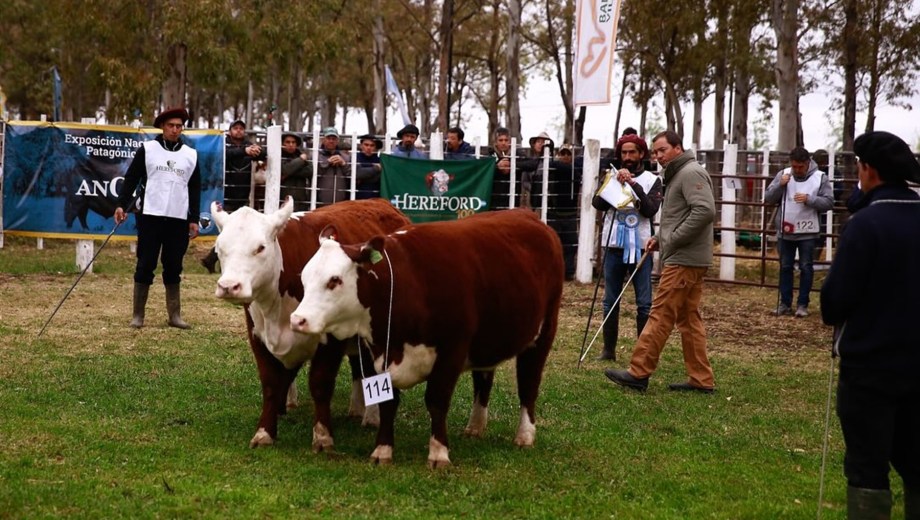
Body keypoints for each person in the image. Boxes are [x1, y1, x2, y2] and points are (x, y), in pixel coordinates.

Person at [820, 131, 920, 519]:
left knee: (867, 467)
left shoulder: (865, 225)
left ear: (869, 170)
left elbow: (834, 302)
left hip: (870, 368)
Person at [604, 130, 716, 393]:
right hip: (687, 256)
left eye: (662, 150)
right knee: (688, 319)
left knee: (661, 313)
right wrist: (659, 237)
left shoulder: (690, 173)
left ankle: (638, 372)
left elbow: (704, 211)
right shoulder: (679, 174)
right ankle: (701, 379)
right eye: (655, 152)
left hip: (684, 258)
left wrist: (672, 239)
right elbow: (679, 215)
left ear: (678, 148)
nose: (658, 156)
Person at [113, 107, 200, 330]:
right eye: (171, 125)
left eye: (179, 126)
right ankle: (138, 315)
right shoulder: (148, 149)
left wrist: (194, 218)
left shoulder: (190, 155)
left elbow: (195, 188)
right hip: (150, 216)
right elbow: (131, 178)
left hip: (178, 219)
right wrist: (121, 204)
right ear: (162, 126)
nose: (175, 130)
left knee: (173, 266)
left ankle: (175, 315)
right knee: (145, 264)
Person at [591, 133, 663, 361]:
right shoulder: (612, 175)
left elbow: (649, 210)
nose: (628, 157)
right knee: (610, 300)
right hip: (613, 244)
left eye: (632, 152)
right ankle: (608, 350)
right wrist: (614, 182)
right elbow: (597, 203)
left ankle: (643, 353)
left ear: (641, 154)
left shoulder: (652, 180)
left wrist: (632, 184)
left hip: (641, 246)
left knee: (644, 303)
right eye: (624, 152)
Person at [763, 147, 834, 318]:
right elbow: (768, 198)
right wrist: (780, 185)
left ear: (808, 163)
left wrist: (810, 199)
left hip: (808, 231)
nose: (797, 170)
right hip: (785, 230)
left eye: (800, 167)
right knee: (785, 267)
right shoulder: (783, 175)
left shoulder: (820, 178)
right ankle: (785, 303)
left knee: (806, 267)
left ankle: (803, 304)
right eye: (794, 166)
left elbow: (829, 202)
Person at [223, 119, 266, 210]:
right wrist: (244, 151)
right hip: (225, 195)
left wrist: (257, 150)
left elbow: (263, 155)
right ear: (229, 131)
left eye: (241, 128)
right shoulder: (223, 143)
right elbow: (226, 153)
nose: (239, 130)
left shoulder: (248, 144)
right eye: (235, 128)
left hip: (243, 196)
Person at [489, 126, 526, 210]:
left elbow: (529, 164)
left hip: (513, 197)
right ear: (495, 142)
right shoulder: (490, 154)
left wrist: (511, 165)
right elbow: (483, 170)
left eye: (506, 140)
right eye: (500, 140)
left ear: (510, 141)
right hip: (494, 198)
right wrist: (497, 166)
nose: (503, 143)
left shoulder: (518, 154)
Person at [315, 127, 351, 206]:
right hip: (320, 201)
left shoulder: (346, 157)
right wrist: (327, 163)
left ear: (337, 141)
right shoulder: (315, 156)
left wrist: (343, 164)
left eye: (334, 139)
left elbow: (352, 175)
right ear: (323, 140)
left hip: (341, 202)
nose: (331, 141)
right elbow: (312, 173)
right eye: (328, 138)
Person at [280, 132, 312, 211]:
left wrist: (290, 171)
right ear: (282, 143)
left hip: (300, 201)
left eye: (293, 142)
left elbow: (309, 171)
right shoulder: (279, 156)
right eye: (287, 142)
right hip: (282, 200)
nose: (291, 145)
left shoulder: (302, 155)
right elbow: (284, 169)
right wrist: (300, 160)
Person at [354, 133, 383, 199]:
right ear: (361, 145)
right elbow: (357, 173)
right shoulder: (354, 158)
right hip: (356, 198)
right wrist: (376, 168)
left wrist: (363, 177)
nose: (369, 148)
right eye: (366, 145)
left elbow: (379, 179)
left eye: (372, 145)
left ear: (375, 148)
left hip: (375, 198)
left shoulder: (379, 160)